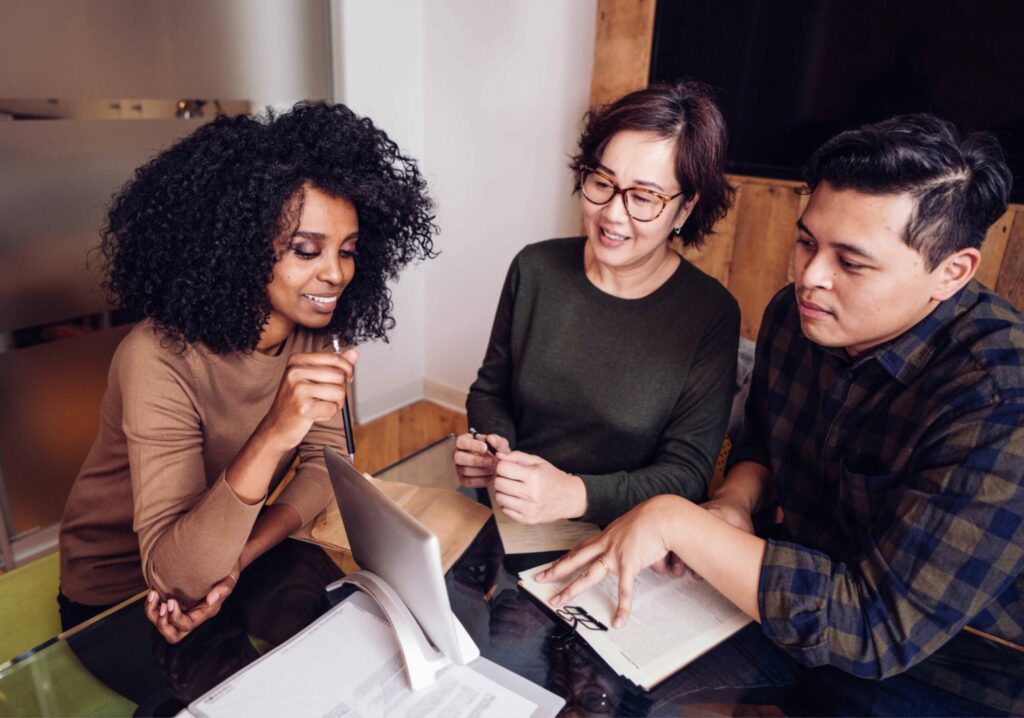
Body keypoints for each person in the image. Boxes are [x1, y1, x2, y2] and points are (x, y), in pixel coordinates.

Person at [539, 114, 1024, 715]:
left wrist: (677, 520)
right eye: (806, 242)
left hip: (957, 661)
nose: (809, 278)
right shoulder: (795, 317)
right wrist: (734, 505)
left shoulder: (1001, 400)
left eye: (851, 262)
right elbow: (763, 442)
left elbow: (878, 628)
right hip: (797, 596)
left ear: (951, 273)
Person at [58, 102, 436, 641]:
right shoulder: (155, 356)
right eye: (307, 249)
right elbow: (176, 576)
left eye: (348, 251)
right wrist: (278, 429)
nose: (335, 274)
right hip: (121, 593)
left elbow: (326, 468)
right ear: (236, 246)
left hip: (233, 554)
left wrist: (245, 552)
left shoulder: (318, 327)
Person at [456, 81, 740, 527]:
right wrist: (493, 446)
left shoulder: (710, 313)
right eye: (603, 182)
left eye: (644, 198)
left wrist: (575, 495)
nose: (612, 214)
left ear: (684, 210)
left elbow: (687, 473)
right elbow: (490, 391)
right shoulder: (535, 268)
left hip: (620, 531)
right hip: (512, 509)